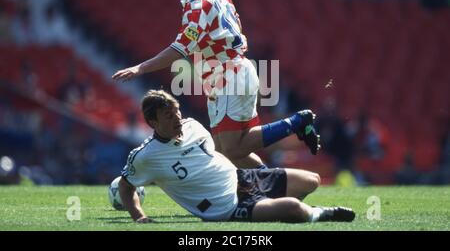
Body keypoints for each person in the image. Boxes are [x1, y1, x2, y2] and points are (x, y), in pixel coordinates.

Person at [112, 0, 320, 168]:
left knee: (231, 148)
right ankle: (272, 184)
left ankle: (297, 122)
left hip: (229, 75)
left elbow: (179, 49)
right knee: (226, 152)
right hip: (226, 76)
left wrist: (140, 68)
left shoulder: (199, 6)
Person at [118, 89, 355, 223]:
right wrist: (139, 216)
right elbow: (125, 186)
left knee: (311, 180)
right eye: (168, 116)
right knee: (293, 208)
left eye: (176, 111)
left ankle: (275, 207)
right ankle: (320, 213)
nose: (177, 118)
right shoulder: (145, 156)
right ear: (153, 122)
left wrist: (261, 172)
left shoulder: (193, 126)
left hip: (243, 178)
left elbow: (218, 155)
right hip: (225, 205)